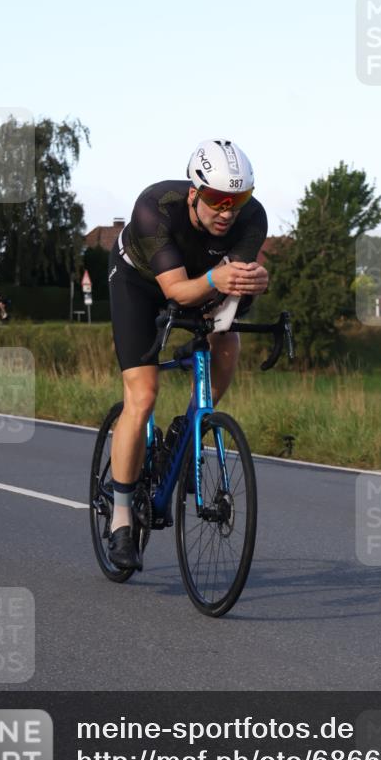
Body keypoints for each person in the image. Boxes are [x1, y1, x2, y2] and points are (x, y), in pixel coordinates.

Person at [107, 139, 269, 570]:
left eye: (238, 200)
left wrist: (249, 284)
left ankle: (189, 426)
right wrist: (220, 276)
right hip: (139, 285)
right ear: (195, 193)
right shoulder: (154, 208)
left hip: (202, 282)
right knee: (141, 396)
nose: (228, 211)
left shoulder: (253, 218)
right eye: (217, 200)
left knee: (228, 345)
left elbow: (227, 292)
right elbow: (177, 291)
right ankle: (121, 519)